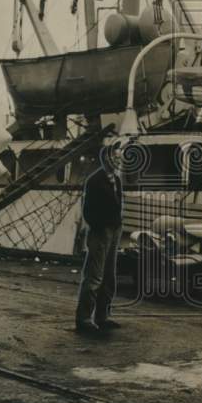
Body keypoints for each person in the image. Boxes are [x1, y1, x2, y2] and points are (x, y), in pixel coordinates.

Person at [75, 142, 124, 335]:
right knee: (95, 276)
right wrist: (101, 226)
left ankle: (102, 316)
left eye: (120, 157)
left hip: (114, 230)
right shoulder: (94, 181)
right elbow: (87, 211)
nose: (119, 160)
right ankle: (84, 318)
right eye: (116, 157)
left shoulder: (117, 181)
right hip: (100, 232)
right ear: (107, 158)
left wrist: (118, 223)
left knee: (109, 277)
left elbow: (117, 204)